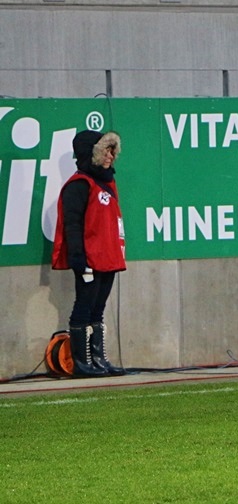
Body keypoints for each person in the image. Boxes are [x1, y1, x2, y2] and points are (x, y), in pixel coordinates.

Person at [51, 130, 127, 378]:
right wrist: (78, 260)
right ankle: (82, 363)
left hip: (108, 258)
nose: (109, 156)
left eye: (111, 151)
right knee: (83, 307)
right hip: (89, 260)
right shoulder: (79, 184)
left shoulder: (108, 182)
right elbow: (72, 226)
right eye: (105, 150)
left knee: (98, 309)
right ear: (91, 153)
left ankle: (98, 359)